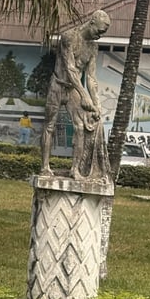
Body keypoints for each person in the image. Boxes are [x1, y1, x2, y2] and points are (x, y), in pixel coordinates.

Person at [40, 10, 111, 180]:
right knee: (50, 126)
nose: (99, 36)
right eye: (99, 31)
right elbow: (70, 68)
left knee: (80, 127)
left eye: (102, 34)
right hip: (58, 85)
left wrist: (97, 103)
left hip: (73, 89)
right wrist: (84, 95)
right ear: (92, 22)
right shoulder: (69, 37)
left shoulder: (93, 47)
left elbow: (91, 78)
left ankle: (75, 169)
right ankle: (45, 167)